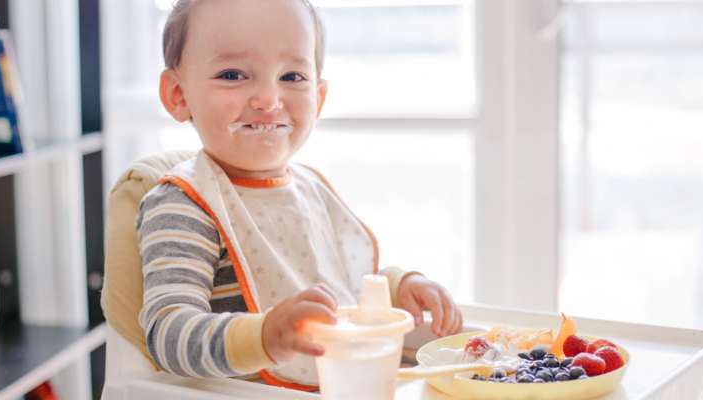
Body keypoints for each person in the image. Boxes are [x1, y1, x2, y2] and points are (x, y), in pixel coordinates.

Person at [137, 0, 463, 389]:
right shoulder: (186, 204)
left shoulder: (312, 189)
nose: (268, 99)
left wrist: (397, 288)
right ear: (178, 95)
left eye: (292, 76)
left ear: (319, 99)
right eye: (232, 74)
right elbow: (168, 334)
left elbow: (342, 281)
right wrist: (265, 336)